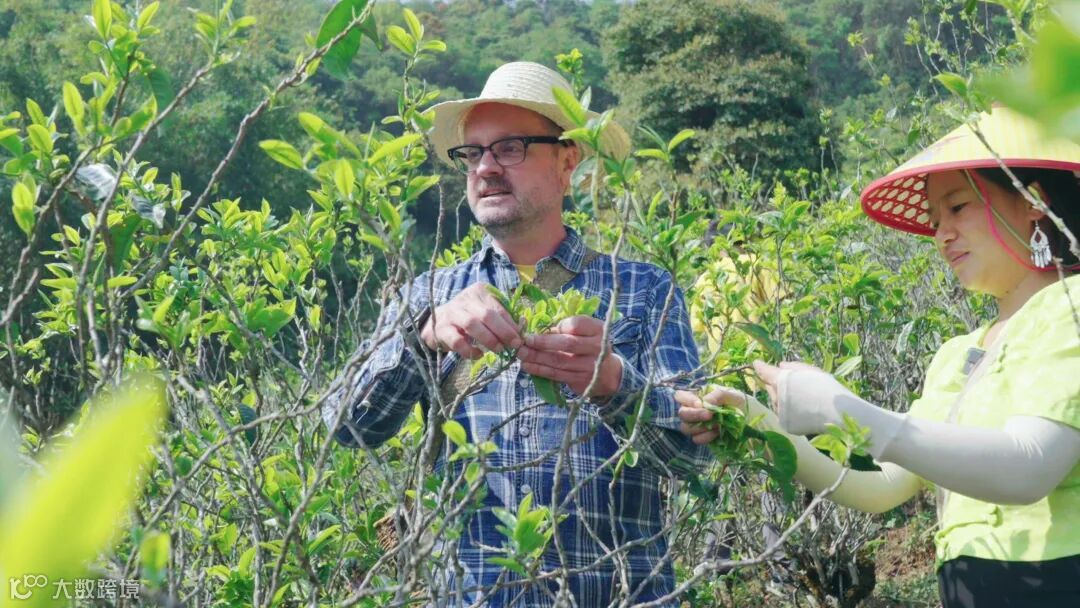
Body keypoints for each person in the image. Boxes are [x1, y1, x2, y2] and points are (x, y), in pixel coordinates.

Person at [323, 61, 707, 606]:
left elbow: (694, 459)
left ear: (567, 160)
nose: (485, 167)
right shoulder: (430, 295)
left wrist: (616, 385)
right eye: (473, 153)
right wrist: (423, 336)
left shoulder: (645, 289)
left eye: (510, 148)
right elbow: (345, 429)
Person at [677, 105, 1080, 607]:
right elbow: (885, 486)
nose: (942, 234)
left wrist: (844, 409)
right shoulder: (958, 353)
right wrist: (761, 425)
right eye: (935, 220)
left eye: (958, 208)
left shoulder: (1071, 307)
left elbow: (1030, 466)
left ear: (1033, 201)